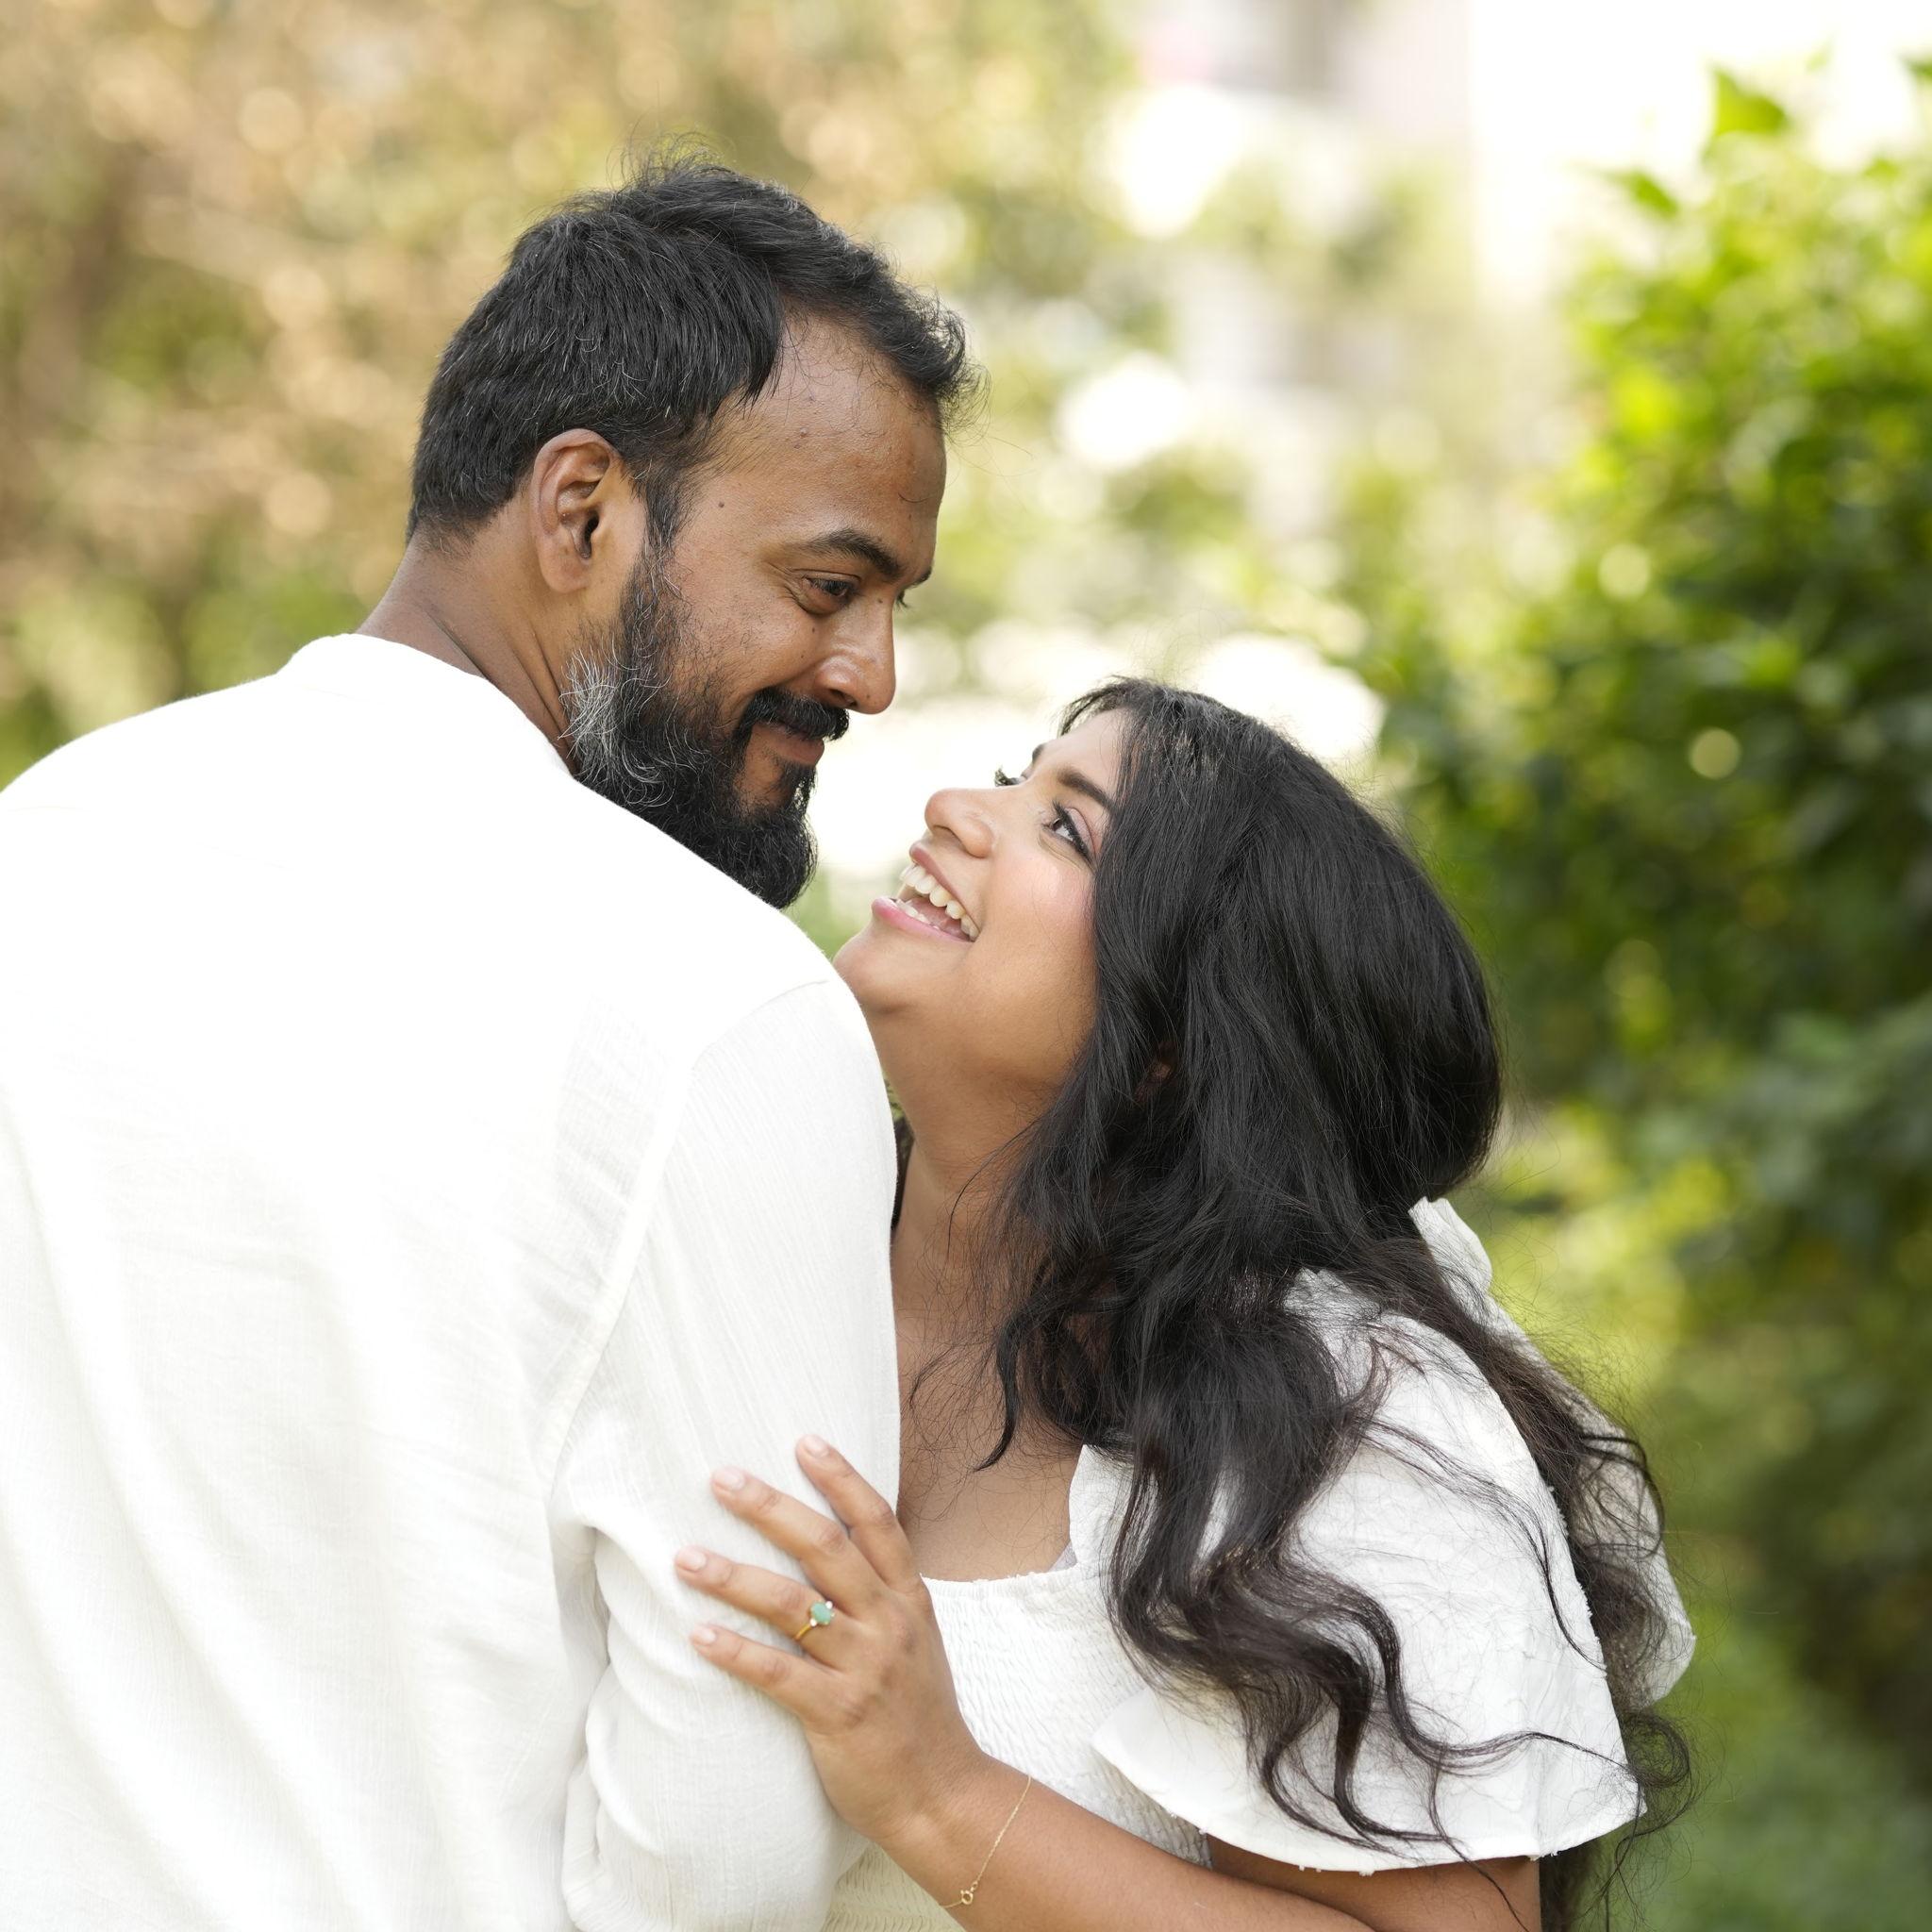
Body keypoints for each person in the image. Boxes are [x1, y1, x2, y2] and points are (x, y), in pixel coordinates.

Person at [0, 156, 971, 1930]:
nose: (872, 673)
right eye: (830, 584)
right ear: (580, 510)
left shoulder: (41, 846)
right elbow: (726, 1850)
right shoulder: (718, 1008)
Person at [671, 681, 1696, 1932]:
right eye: (1014, 776)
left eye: (1066, 828)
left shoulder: (1342, 1418)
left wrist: (943, 1798)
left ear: (1176, 1036)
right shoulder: (743, 1232)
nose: (953, 809)